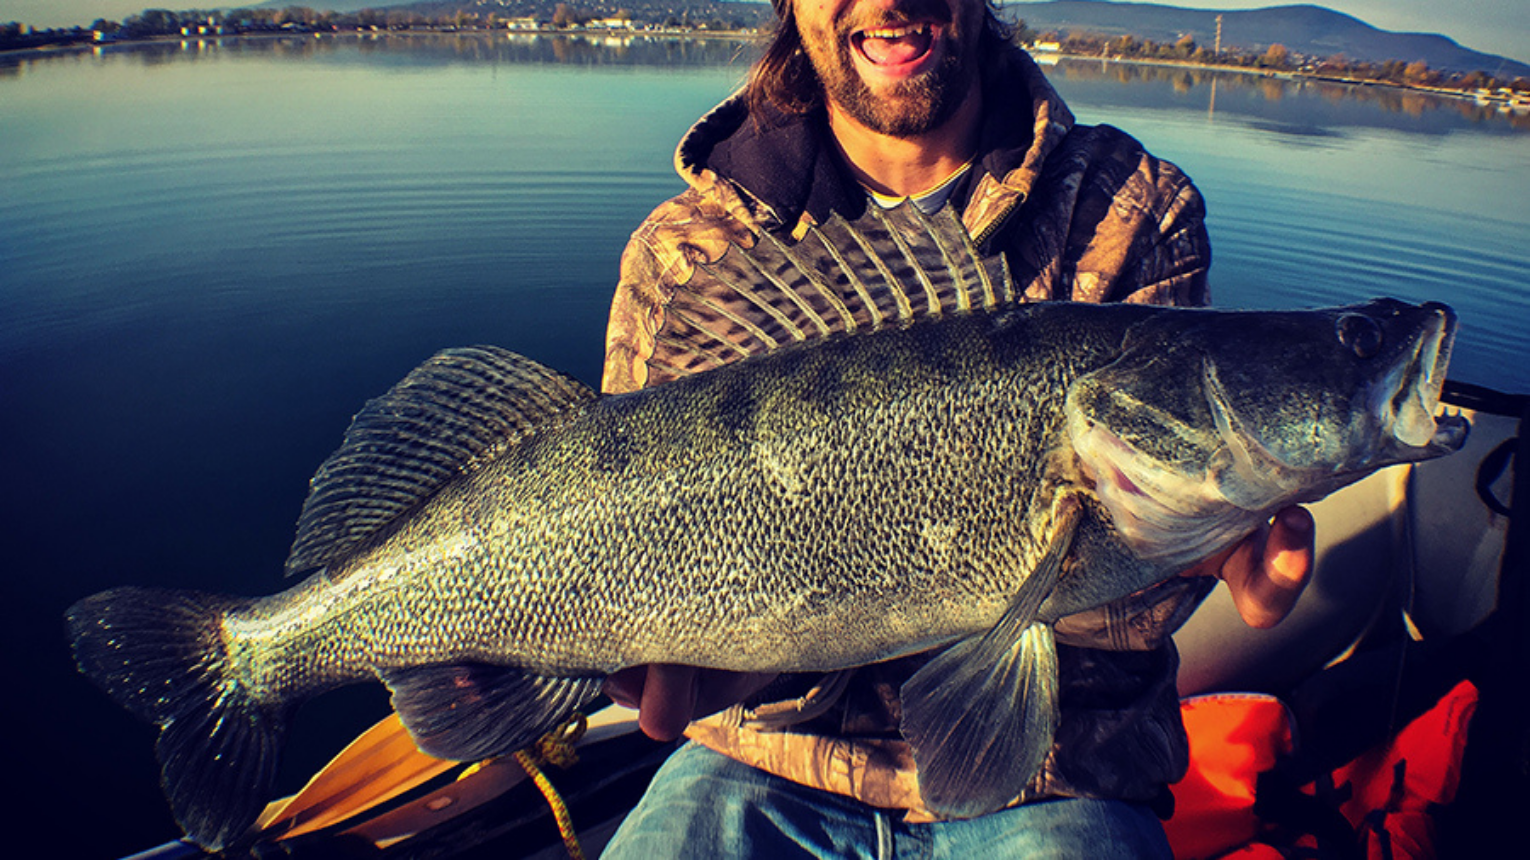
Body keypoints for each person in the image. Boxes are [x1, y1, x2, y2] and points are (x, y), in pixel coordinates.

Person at [595, 0, 1315, 855]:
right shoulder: (687, 252)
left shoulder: (1131, 207)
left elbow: (1128, 593)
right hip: (758, 760)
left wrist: (1196, 553)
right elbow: (623, 541)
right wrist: (680, 663)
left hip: (1059, 771)